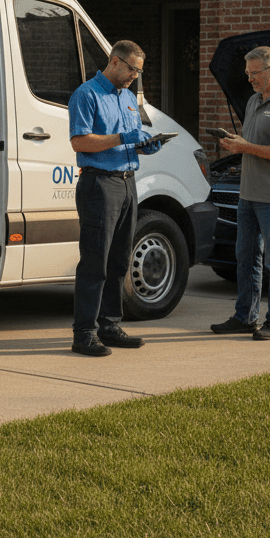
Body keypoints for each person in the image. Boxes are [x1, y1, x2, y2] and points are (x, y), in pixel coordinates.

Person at [67, 40, 165, 357]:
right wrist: (124, 138)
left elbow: (129, 140)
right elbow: (80, 142)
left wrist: (144, 145)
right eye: (132, 69)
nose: (134, 76)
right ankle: (84, 334)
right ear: (115, 61)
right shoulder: (87, 94)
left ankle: (109, 326)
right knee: (95, 262)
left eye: (139, 71)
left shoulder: (127, 99)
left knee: (120, 259)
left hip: (127, 183)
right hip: (100, 184)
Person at [212, 45, 270, 340]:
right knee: (246, 256)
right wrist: (236, 143)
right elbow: (253, 145)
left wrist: (245, 147)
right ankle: (245, 317)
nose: (249, 79)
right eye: (247, 73)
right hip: (248, 193)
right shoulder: (254, 101)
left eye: (254, 73)